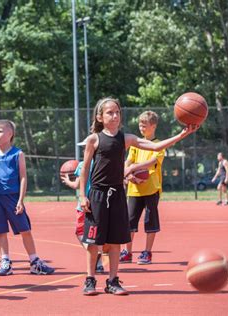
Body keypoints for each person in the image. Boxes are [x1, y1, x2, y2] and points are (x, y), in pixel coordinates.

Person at [80, 97, 197, 296]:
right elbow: (84, 170)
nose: (115, 115)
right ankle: (90, 279)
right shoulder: (94, 139)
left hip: (117, 194)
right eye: (110, 112)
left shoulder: (127, 139)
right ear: (100, 116)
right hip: (97, 194)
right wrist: (83, 195)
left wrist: (182, 134)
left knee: (116, 241)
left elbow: (156, 147)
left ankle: (112, 281)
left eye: (117, 112)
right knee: (93, 242)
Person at [0, 119, 54, 276]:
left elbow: (23, 177)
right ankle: (5, 261)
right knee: (0, 231)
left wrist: (20, 200)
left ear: (10, 134)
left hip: (13, 198)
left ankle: (34, 261)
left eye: (0, 131)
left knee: (25, 229)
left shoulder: (18, 154)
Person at [119, 111, 165, 265]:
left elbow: (150, 163)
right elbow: (128, 161)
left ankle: (147, 252)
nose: (141, 127)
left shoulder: (159, 145)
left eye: (144, 125)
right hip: (133, 189)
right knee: (129, 222)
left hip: (151, 188)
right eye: (140, 124)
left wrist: (133, 169)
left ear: (153, 126)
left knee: (150, 222)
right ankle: (128, 252)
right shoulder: (135, 144)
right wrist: (128, 174)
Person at [60, 139, 105, 274]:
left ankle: (94, 255)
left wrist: (67, 181)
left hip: (84, 204)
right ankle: (99, 263)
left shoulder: (82, 165)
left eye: (85, 147)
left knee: (80, 233)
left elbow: (76, 185)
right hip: (99, 202)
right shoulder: (101, 163)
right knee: (96, 234)